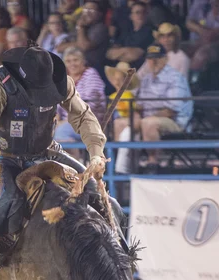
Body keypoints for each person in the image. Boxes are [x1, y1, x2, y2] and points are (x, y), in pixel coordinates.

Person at [0, 45, 111, 280]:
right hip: (5, 158)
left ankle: (117, 254)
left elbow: (83, 116)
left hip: (47, 152)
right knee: (5, 201)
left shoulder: (61, 81)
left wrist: (96, 152)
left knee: (96, 194)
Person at [114, 44, 193, 172]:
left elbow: (171, 111)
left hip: (175, 121)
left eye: (157, 58)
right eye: (150, 58)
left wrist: (145, 117)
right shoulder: (146, 79)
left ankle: (153, 162)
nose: (153, 61)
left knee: (148, 123)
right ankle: (123, 165)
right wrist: (136, 114)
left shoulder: (175, 78)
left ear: (165, 59)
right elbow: (139, 105)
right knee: (120, 123)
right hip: (148, 117)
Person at [55, 46, 106, 146]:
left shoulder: (90, 74)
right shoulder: (64, 79)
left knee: (62, 132)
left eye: (75, 60)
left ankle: (74, 161)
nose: (72, 64)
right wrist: (56, 121)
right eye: (68, 61)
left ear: (83, 61)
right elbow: (56, 105)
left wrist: (67, 121)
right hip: (66, 123)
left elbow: (91, 105)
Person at [60, 1, 110, 73]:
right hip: (75, 68)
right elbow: (60, 47)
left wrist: (81, 27)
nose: (87, 13)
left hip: (92, 69)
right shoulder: (81, 26)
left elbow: (84, 46)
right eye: (85, 9)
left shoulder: (101, 28)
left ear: (100, 14)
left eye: (91, 10)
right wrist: (78, 43)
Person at [106, 1, 154, 67]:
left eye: (144, 12)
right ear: (131, 16)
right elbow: (109, 53)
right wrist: (126, 50)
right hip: (118, 69)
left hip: (136, 70)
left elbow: (135, 55)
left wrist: (119, 52)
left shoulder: (150, 33)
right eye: (137, 12)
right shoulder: (126, 31)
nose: (141, 15)